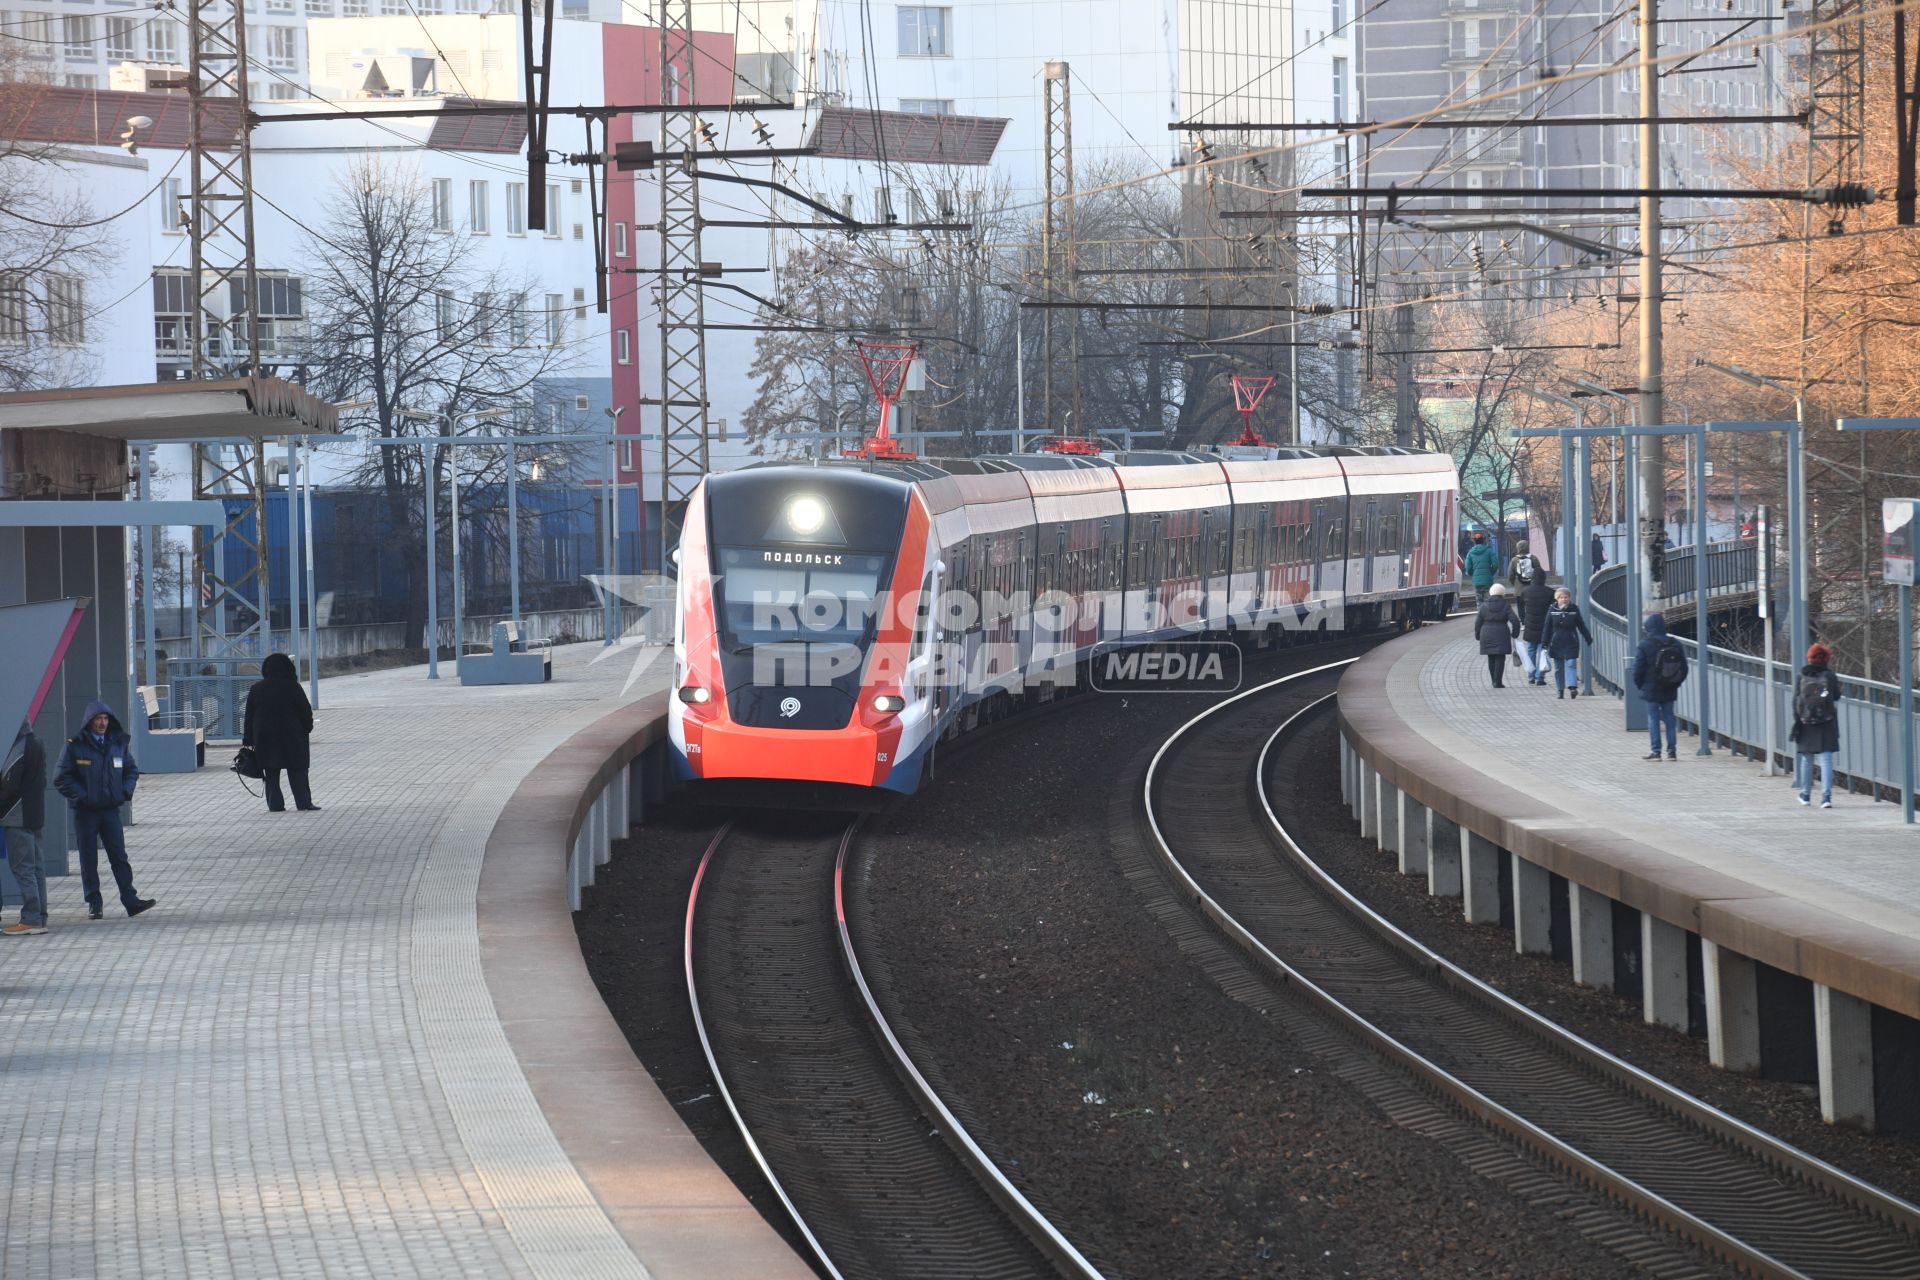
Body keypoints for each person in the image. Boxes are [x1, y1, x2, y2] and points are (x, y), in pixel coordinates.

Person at [52, 701, 155, 920]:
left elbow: (131, 770)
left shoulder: (117, 743)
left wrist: (124, 792)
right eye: (98, 719)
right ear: (89, 722)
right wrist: (83, 796)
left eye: (106, 719)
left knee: (119, 856)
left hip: (110, 811)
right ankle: (94, 904)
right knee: (88, 859)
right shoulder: (75, 746)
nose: (102, 723)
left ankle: (131, 900)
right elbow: (61, 777)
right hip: (86, 812)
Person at [243, 652, 319, 813]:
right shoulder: (293, 687)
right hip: (293, 736)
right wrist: (307, 728)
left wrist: (248, 738)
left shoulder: (257, 689)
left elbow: (249, 715)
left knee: (271, 771)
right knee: (297, 770)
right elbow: (305, 711)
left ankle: (275, 805)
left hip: (265, 737)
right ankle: (304, 802)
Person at [0, 724, 49, 936]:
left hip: (17, 816)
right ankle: (40, 916)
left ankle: (30, 918)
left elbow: (9, 786)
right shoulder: (37, 743)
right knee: (36, 868)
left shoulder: (17, 747)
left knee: (23, 868)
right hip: (34, 814)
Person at [1791, 643, 1842, 808]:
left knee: (1807, 758)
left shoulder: (1801, 675)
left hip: (1806, 722)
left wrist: (1797, 720)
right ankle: (1826, 798)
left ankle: (1805, 795)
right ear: (1826, 659)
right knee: (1826, 759)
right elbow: (1836, 696)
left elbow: (1795, 700)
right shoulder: (1829, 676)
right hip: (1827, 722)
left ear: (1810, 658)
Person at [1631, 612, 1684, 760]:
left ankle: (1656, 751)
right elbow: (1684, 668)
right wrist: (1676, 682)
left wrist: (1640, 684)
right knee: (1669, 718)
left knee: (1653, 718)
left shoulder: (1645, 644)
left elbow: (1638, 669)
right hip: (1669, 686)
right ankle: (1672, 751)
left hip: (1651, 687)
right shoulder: (1675, 643)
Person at [1540, 588, 1594, 700]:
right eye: (1561, 597)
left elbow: (1581, 625)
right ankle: (1560, 690)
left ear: (1569, 598)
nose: (1564, 599)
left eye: (1566, 597)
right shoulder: (1552, 609)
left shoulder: (1574, 609)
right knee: (1559, 668)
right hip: (1556, 642)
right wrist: (1544, 642)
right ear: (1557, 598)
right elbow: (1547, 627)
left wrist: (1588, 637)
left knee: (1571, 664)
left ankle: (1572, 687)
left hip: (1571, 641)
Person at [1475, 582, 1521, 688]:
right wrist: (1515, 633)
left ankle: (1493, 681)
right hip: (1501, 633)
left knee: (1491, 656)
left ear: (1491, 593)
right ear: (1502, 593)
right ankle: (1497, 682)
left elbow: (1478, 623)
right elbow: (1515, 621)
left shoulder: (1484, 606)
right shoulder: (1505, 605)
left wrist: (1478, 635)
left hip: (1486, 633)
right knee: (1500, 657)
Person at [1517, 565, 1555, 685]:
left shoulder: (1526, 591)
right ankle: (1540, 677)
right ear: (1544, 578)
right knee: (1542, 650)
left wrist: (1523, 620)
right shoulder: (1550, 592)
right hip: (1544, 626)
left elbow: (1521, 606)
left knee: (1531, 650)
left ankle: (1531, 676)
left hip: (1530, 625)